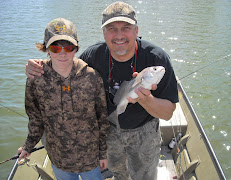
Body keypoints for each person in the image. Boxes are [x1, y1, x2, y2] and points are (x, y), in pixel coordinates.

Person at [25, 2, 179, 180]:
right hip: (109, 131)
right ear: (103, 32)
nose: (119, 35)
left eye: (126, 28)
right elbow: (64, 64)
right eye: (112, 28)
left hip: (144, 132)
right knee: (119, 173)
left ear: (137, 30)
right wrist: (38, 67)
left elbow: (168, 114)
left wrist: (145, 98)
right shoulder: (92, 56)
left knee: (145, 176)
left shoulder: (156, 58)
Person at [18, 17, 110, 180]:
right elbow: (35, 119)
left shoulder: (92, 77)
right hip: (58, 160)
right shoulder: (35, 79)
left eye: (68, 47)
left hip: (90, 159)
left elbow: (102, 119)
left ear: (75, 48)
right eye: (55, 47)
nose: (62, 53)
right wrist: (28, 146)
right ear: (46, 49)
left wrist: (103, 153)